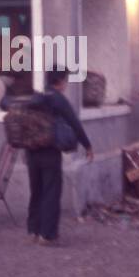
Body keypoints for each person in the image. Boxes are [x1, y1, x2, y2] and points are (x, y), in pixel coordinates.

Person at [25, 70, 93, 246]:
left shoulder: (35, 98)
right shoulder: (57, 99)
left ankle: (33, 230)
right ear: (60, 81)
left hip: (31, 152)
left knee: (36, 191)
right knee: (51, 192)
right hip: (49, 152)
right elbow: (74, 123)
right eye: (65, 81)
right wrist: (87, 145)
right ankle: (46, 235)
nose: (66, 84)